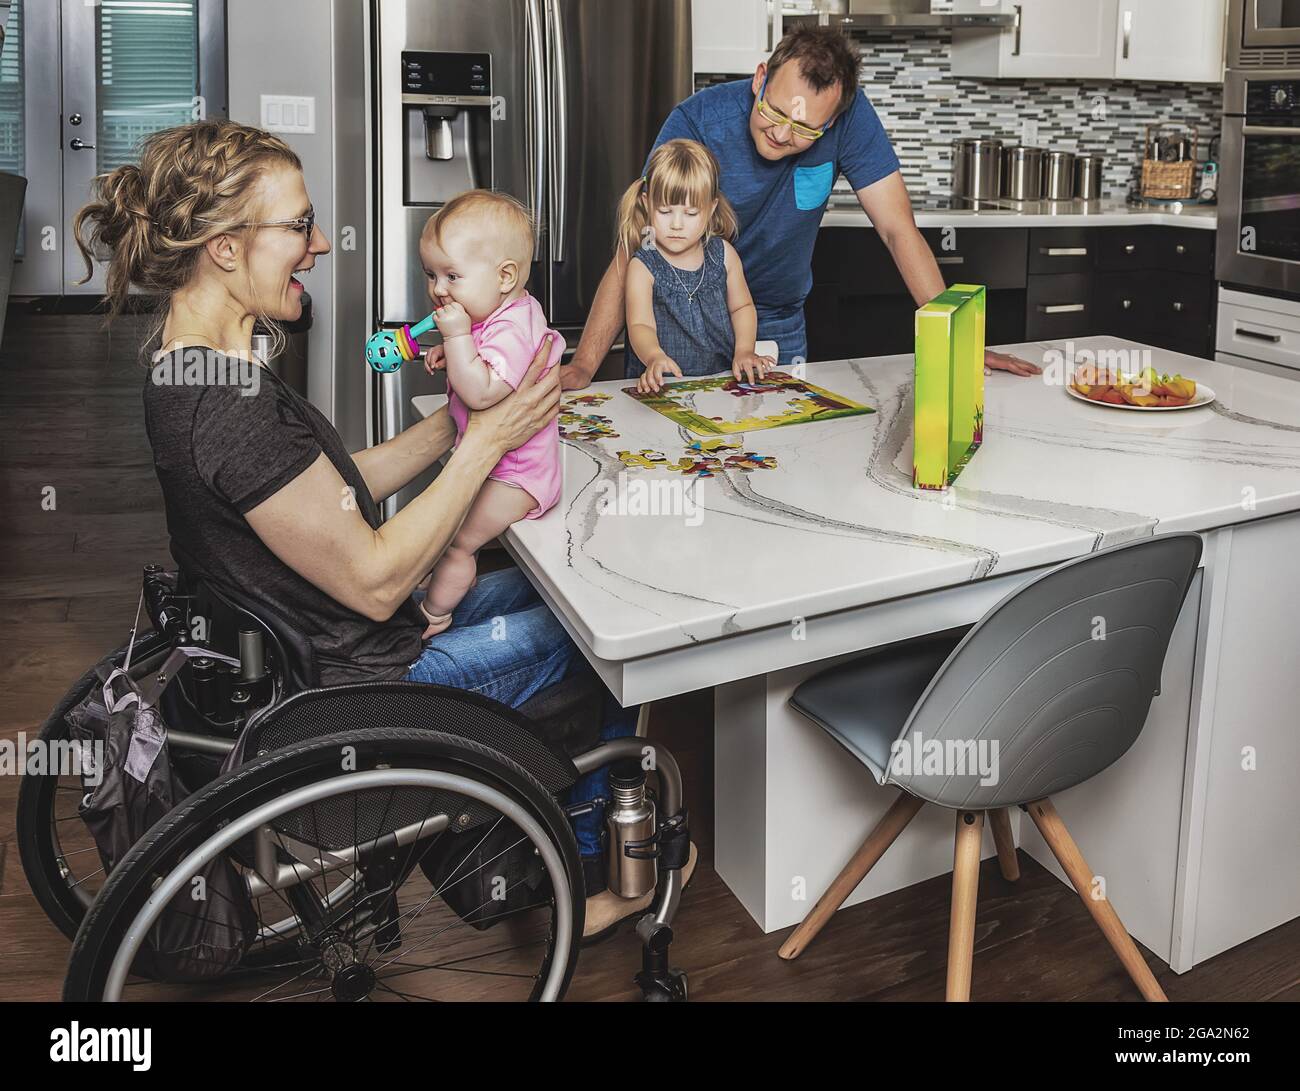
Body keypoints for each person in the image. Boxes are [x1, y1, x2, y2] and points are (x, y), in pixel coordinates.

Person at [73, 119, 689, 934]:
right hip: (359, 688)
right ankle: (586, 874)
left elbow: (329, 492)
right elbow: (374, 580)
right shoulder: (226, 412)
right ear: (225, 247)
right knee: (612, 619)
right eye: (299, 225)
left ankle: (537, 859)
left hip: (323, 654)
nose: (321, 243)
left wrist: (463, 421)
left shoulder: (194, 370)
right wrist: (492, 443)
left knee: (561, 583)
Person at [563, 24, 1040, 388]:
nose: (781, 134)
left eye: (805, 130)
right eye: (772, 112)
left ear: (831, 124)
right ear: (759, 79)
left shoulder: (851, 121)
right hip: (672, 321)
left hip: (775, 322)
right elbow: (635, 247)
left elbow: (899, 230)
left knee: (775, 465)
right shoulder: (699, 120)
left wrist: (958, 342)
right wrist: (584, 365)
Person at [413, 190, 564, 636]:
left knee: (458, 539)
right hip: (496, 464)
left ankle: (433, 615)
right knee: (443, 528)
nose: (438, 290)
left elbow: (480, 392)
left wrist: (457, 339)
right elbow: (482, 350)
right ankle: (439, 582)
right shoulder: (496, 315)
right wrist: (452, 346)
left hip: (519, 476)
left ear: (504, 276)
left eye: (452, 275)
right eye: (431, 275)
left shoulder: (518, 327)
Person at [619, 138, 775, 394]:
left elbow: (742, 307)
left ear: (711, 208)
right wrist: (654, 357)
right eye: (665, 211)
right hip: (664, 390)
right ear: (647, 204)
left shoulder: (724, 255)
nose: (677, 224)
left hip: (722, 386)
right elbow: (640, 325)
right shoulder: (642, 265)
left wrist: (745, 350)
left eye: (691, 213)